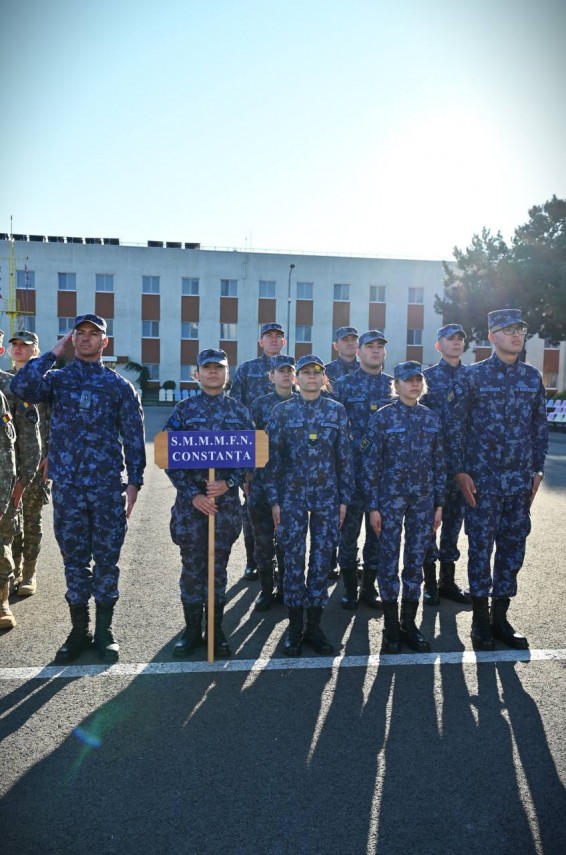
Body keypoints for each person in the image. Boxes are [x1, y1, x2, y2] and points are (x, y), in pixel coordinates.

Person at [11, 314, 145, 662]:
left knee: (106, 560)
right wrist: (53, 353)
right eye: (79, 334)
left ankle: (103, 631)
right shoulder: (56, 380)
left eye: (93, 334)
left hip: (105, 488)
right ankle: (78, 629)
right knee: (74, 561)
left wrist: (135, 481)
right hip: (69, 487)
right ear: (72, 339)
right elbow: (21, 386)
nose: (86, 339)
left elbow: (133, 437)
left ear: (105, 342)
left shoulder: (119, 387)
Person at [446, 309, 548, 651]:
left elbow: (539, 427)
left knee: (512, 552)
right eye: (508, 330)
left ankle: (500, 618)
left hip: (519, 484)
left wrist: (538, 470)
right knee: (480, 550)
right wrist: (459, 471)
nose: (516, 335)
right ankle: (479, 621)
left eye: (520, 329)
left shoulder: (532, 377)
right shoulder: (472, 377)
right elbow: (455, 427)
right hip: (482, 484)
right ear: (492, 336)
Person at [164, 349, 254, 658]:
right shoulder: (183, 411)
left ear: (227, 374)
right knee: (191, 569)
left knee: (218, 571)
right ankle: (191, 632)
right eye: (208, 367)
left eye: (220, 367)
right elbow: (168, 457)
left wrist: (227, 483)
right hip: (191, 508)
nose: (213, 372)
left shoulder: (240, 412)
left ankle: (215, 631)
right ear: (197, 373)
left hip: (223, 507)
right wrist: (194, 494)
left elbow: (253, 456)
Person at [264, 355, 353, 657]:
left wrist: (344, 500)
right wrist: (274, 500)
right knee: (293, 561)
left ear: (324, 378)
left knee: (321, 563)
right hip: (292, 499)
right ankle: (293, 628)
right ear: (297, 379)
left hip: (327, 498)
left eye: (317, 372)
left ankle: (314, 627)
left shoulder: (336, 411)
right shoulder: (281, 412)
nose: (312, 377)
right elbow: (272, 461)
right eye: (305, 372)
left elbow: (345, 459)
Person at [361, 362, 445, 654]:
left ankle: (409, 624)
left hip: (423, 501)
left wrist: (439, 504)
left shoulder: (432, 419)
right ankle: (391, 627)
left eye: (418, 379)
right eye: (407, 380)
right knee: (388, 561)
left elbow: (439, 464)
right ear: (395, 385)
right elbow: (370, 465)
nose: (414, 384)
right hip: (389, 501)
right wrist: (373, 506)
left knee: (415, 561)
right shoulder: (382, 418)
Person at [332, 329, 392, 610]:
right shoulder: (342, 386)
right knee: (349, 534)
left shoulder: (394, 386)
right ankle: (349, 588)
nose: (375, 350)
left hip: (385, 476)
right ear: (359, 352)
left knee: (378, 534)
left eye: (380, 346)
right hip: (352, 473)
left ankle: (369, 587)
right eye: (369, 346)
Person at [230, 321, 288, 581]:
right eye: (269, 336)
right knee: (252, 512)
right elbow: (236, 413)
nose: (273, 340)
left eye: (278, 336)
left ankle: (284, 565)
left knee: (286, 513)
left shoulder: (291, 368)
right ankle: (253, 561)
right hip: (254, 456)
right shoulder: (247, 370)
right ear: (261, 341)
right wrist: (242, 466)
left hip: (287, 459)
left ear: (283, 342)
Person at [421, 324, 470, 606]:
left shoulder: (472, 377)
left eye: (460, 339)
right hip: (432, 466)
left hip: (463, 465)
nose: (456, 343)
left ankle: (447, 582)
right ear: (438, 345)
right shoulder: (426, 379)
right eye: (450, 339)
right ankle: (430, 584)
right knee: (430, 525)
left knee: (453, 524)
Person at [0, 329, 41, 630]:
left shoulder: (12, 388)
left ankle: (7, 593)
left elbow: (29, 437)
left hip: (6, 479)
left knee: (8, 536)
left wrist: (23, 479)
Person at [249, 355, 297, 611]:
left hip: (291, 485)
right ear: (271, 376)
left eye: (291, 370)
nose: (287, 375)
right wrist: (247, 476)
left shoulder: (304, 403)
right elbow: (251, 442)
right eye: (281, 371)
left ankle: (286, 588)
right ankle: (267, 590)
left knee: (289, 541)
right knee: (264, 541)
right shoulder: (259, 405)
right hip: (260, 483)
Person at [8, 330, 51, 597]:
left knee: (32, 518)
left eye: (25, 345)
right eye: (14, 344)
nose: (19, 348)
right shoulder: (5, 381)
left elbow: (55, 421)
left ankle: (29, 573)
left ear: (35, 350)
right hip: (7, 464)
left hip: (37, 461)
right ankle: (11, 569)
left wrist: (51, 454)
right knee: (10, 519)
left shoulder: (44, 384)